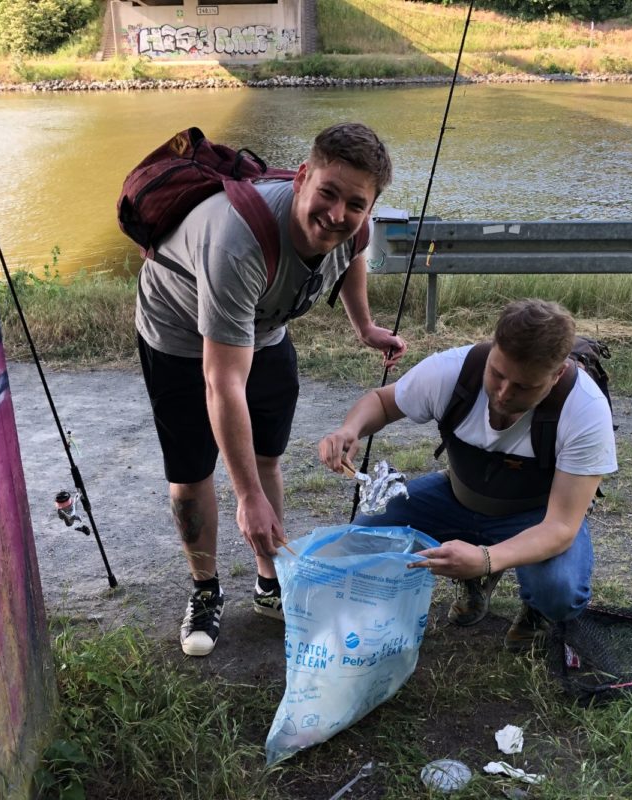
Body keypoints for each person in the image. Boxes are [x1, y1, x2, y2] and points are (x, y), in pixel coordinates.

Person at [137, 122, 405, 657]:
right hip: (179, 335)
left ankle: (269, 580)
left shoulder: (356, 227)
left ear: (369, 206)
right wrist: (247, 498)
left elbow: (352, 257)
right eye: (326, 193)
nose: (336, 214)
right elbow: (223, 381)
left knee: (267, 458)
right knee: (193, 473)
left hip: (263, 328)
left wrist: (364, 327)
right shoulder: (239, 241)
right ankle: (206, 589)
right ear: (303, 176)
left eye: (355, 203)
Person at [318, 299, 616, 651]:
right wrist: (350, 429)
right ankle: (477, 575)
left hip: (535, 517)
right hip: (457, 496)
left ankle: (536, 609)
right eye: (498, 374)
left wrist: (486, 559)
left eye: (523, 387)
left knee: (561, 592)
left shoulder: (584, 409)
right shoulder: (453, 370)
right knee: (364, 540)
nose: (504, 393)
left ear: (556, 375)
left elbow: (561, 528)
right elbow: (383, 402)